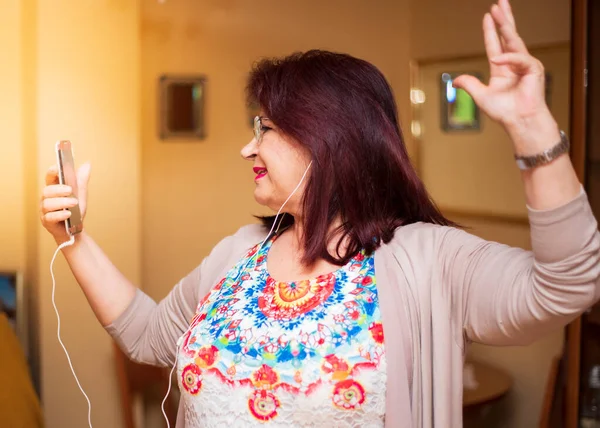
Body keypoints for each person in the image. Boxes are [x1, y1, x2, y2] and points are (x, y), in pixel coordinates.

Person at [40, 0, 600, 427]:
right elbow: (145, 334)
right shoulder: (237, 255)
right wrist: (74, 239)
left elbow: (568, 283)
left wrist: (533, 130)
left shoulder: (428, 261)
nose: (247, 147)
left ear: (325, 138)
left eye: (265, 128)